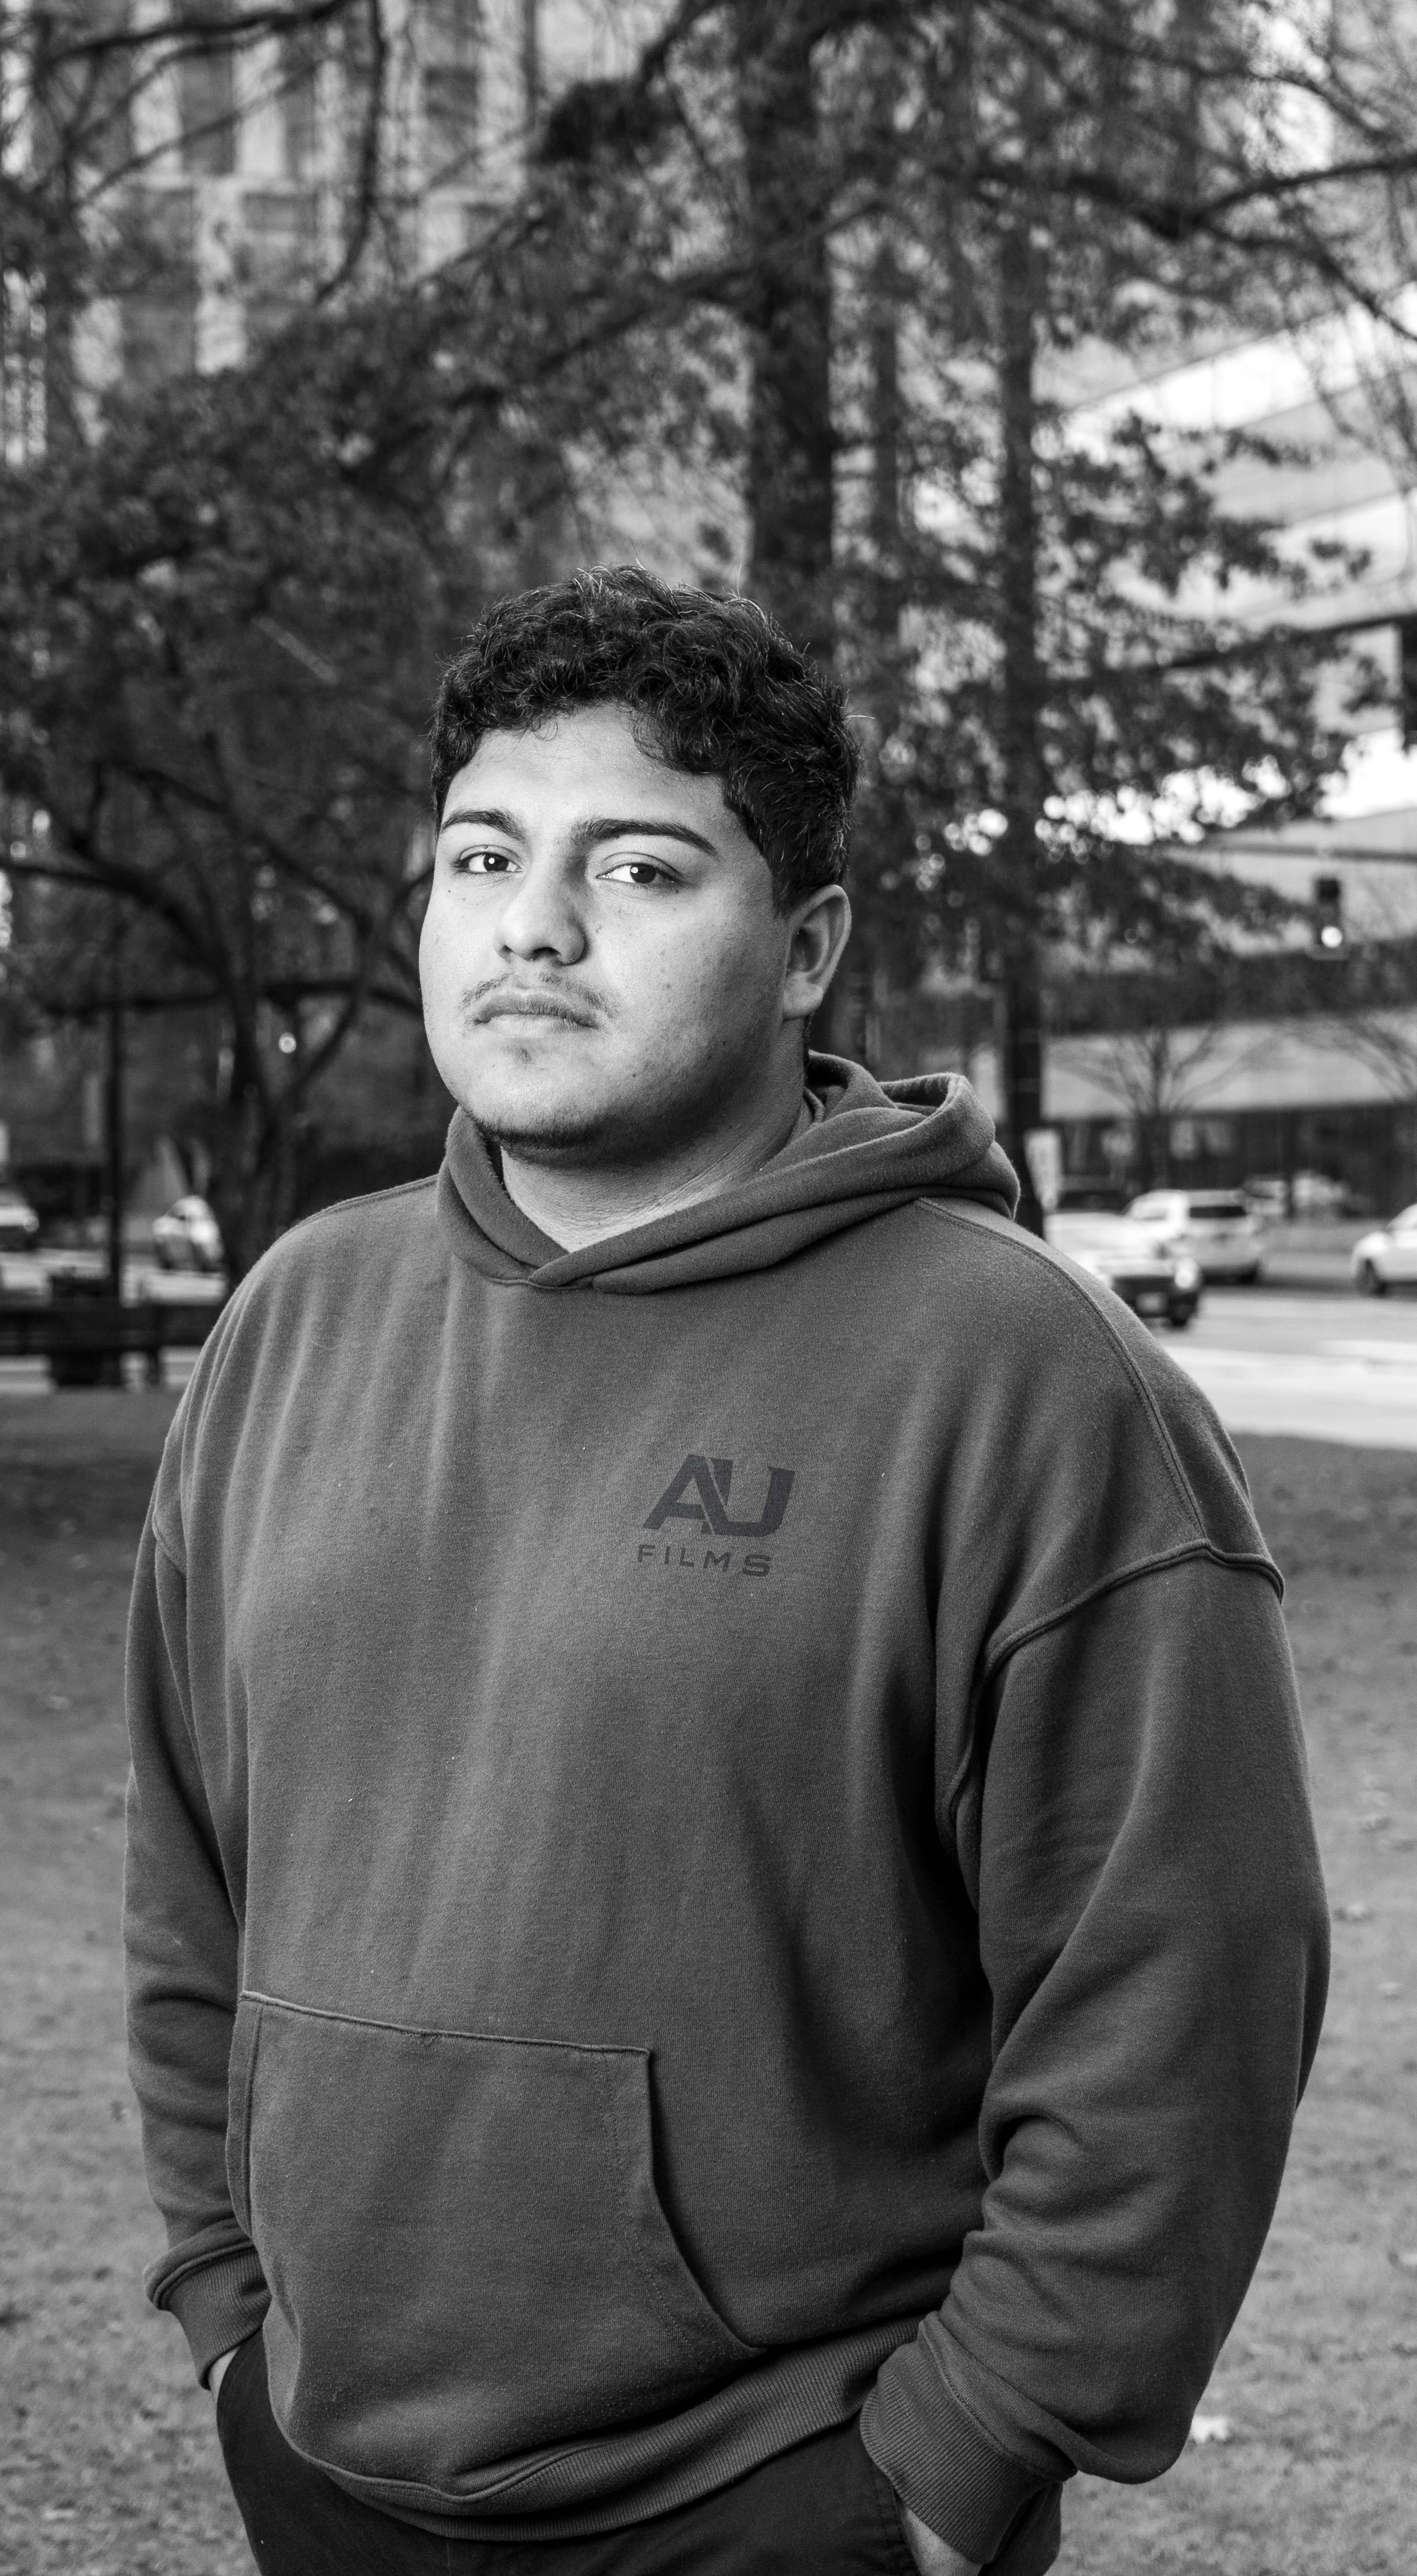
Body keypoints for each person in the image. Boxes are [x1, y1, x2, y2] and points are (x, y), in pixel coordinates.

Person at [123, 567, 1328, 2576]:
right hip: (323, 2466)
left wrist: (950, 2470)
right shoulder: (294, 1318)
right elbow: (187, 1877)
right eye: (483, 856)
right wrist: (229, 2316)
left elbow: (1177, 1990)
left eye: (641, 867)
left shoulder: (1021, 1377)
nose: (534, 924)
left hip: (783, 2499)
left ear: (804, 950)